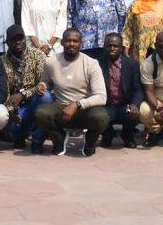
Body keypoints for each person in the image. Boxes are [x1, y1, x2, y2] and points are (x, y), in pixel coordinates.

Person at [34, 28, 109, 156]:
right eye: (68, 41)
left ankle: (90, 142)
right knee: (40, 114)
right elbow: (46, 80)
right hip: (61, 108)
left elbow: (101, 97)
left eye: (75, 41)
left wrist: (77, 104)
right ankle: (59, 139)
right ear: (62, 42)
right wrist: (42, 85)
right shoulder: (51, 62)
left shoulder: (91, 64)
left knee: (102, 117)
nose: (72, 44)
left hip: (84, 109)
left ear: (81, 43)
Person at [0, 25, 51, 153]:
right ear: (7, 42)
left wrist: (23, 95)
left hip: (33, 100)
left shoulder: (38, 55)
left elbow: (44, 82)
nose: (18, 42)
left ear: (25, 39)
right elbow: (2, 88)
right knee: (10, 128)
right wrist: (10, 109)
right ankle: (20, 136)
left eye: (20, 38)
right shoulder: (1, 61)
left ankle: (37, 141)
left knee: (46, 97)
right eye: (13, 39)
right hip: (14, 105)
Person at [97, 33, 142, 148]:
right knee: (96, 114)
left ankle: (127, 136)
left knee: (133, 111)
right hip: (106, 105)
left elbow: (138, 89)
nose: (112, 48)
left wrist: (135, 104)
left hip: (124, 105)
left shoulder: (131, 64)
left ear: (121, 48)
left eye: (115, 46)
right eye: (109, 45)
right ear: (104, 47)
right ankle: (108, 135)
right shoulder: (96, 64)